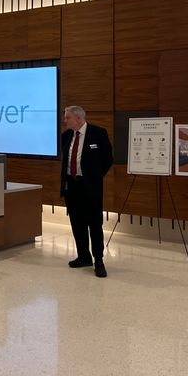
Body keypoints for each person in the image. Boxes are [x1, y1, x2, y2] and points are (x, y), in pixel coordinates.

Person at [60, 106, 113, 278]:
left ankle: (99, 260)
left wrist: (94, 178)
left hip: (90, 187)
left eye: (67, 117)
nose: (65, 121)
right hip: (72, 186)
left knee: (94, 224)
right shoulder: (66, 136)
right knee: (77, 223)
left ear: (78, 118)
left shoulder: (98, 133)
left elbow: (108, 160)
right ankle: (84, 256)